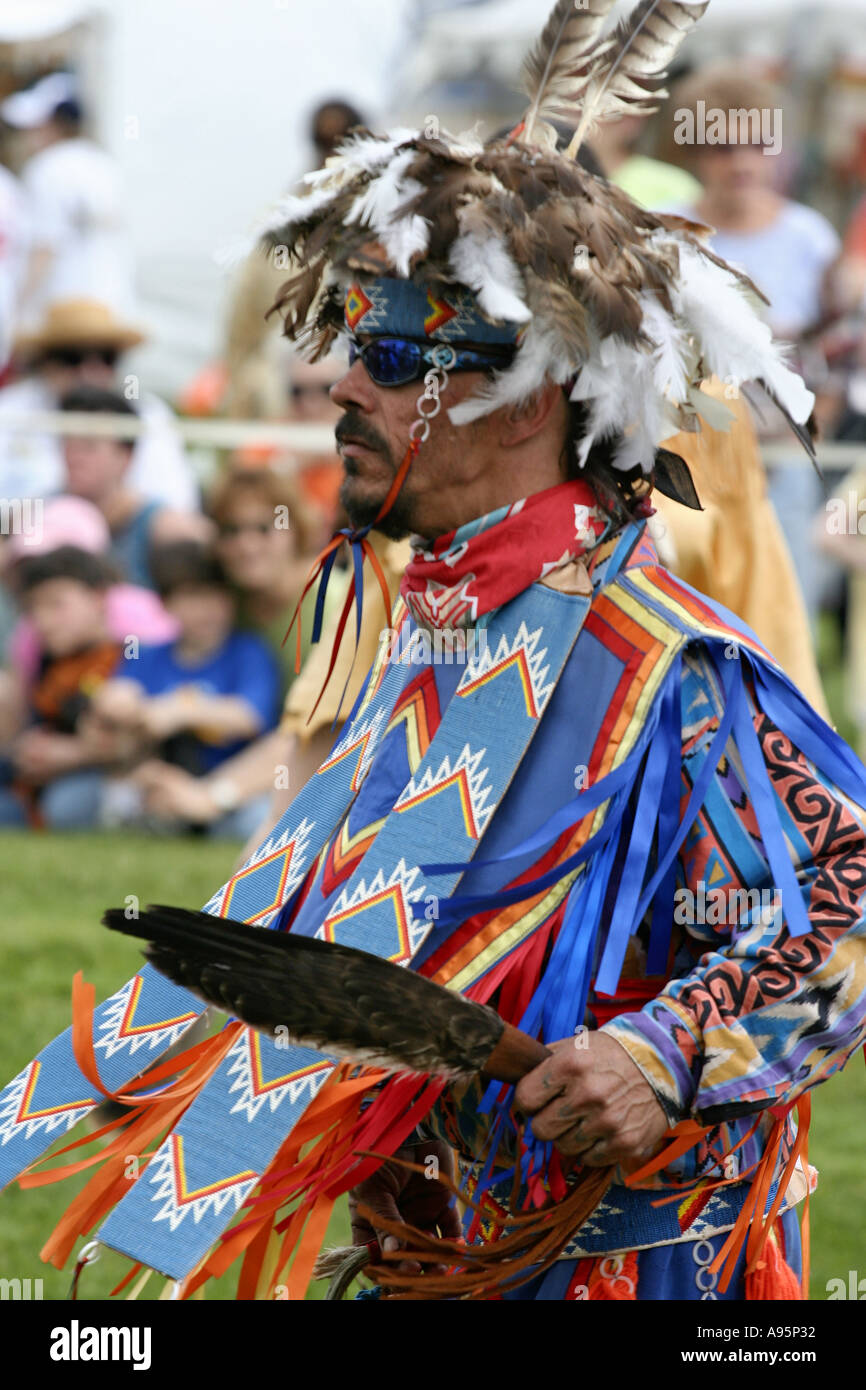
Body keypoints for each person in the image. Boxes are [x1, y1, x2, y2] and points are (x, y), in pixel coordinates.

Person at [2, 2, 865, 1302]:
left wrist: (663, 1050)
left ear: (530, 391)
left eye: (395, 352)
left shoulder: (663, 661)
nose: (346, 383)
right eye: (353, 343)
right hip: (430, 1260)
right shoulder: (442, 626)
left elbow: (848, 891)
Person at [666, 63, 842, 624]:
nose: (739, 162)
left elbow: (837, 352)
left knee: (780, 622)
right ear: (694, 153)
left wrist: (814, 437)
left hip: (782, 465)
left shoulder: (808, 237)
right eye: (721, 148)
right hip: (692, 471)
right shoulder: (669, 234)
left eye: (753, 145)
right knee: (692, 622)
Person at [92, 541, 281, 841]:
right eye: (191, 597)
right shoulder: (145, 655)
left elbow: (249, 716)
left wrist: (179, 710)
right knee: (77, 803)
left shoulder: (249, 652)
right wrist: (118, 704)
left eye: (216, 596)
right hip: (157, 779)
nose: (206, 610)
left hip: (231, 784)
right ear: (166, 603)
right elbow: (118, 699)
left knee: (251, 823)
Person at [0, 297, 199, 509]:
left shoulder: (147, 414)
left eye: (106, 357)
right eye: (72, 357)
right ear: (45, 362)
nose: (90, 372)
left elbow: (176, 501)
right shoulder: (11, 411)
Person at [0, 546, 121, 829]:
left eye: (56, 604)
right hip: (32, 784)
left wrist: (74, 752)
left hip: (101, 777)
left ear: (98, 598)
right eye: (34, 608)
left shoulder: (130, 651)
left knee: (66, 808)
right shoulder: (46, 659)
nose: (42, 621)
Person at [0, 72, 134, 325]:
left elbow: (44, 248)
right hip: (112, 311)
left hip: (64, 317)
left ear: (54, 125)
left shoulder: (48, 168)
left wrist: (15, 310)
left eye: (34, 128)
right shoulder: (102, 164)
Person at [57, 384, 210, 589]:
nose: (74, 456)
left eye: (88, 445)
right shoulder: (42, 513)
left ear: (125, 456)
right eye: (68, 443)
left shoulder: (163, 526)